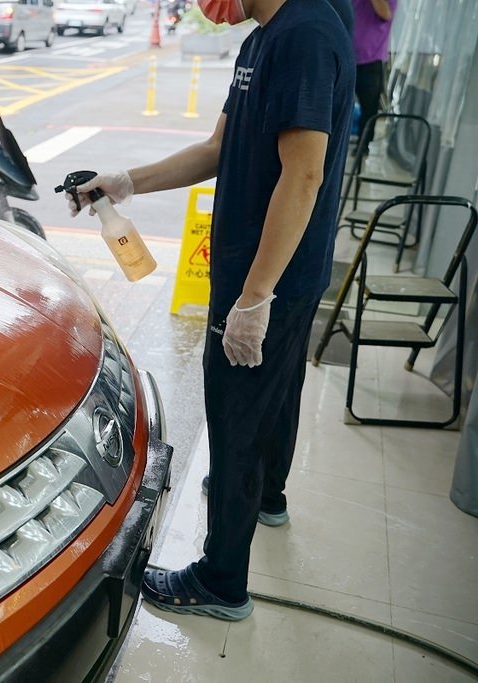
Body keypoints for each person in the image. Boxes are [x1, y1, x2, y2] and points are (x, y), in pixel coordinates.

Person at [67, 0, 354, 620]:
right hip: (265, 270)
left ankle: (222, 579)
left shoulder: (304, 35)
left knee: (236, 417)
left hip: (267, 275)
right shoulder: (263, 39)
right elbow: (219, 149)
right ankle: (265, 496)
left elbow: (303, 177)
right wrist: (126, 181)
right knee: (274, 394)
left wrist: (254, 298)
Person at [351, 0, 396, 156]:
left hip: (371, 60)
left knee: (368, 109)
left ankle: (363, 146)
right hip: (348, 55)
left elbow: (385, 13)